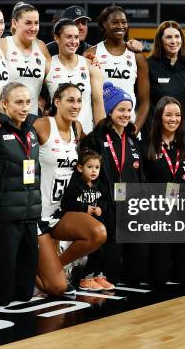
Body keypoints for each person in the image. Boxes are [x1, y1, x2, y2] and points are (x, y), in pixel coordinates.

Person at [33, 83, 107, 295]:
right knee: (56, 287)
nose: (75, 105)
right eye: (70, 100)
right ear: (57, 102)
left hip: (61, 212)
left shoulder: (77, 129)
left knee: (98, 233)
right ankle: (28, 266)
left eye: (78, 100)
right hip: (39, 214)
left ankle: (56, 265)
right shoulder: (43, 125)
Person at [0, 82, 41, 305]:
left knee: (24, 293)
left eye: (27, 102)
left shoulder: (31, 130)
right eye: (18, 102)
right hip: (4, 220)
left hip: (29, 217)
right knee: (2, 296)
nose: (24, 108)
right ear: (4, 104)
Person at [80, 82, 145, 284]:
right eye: (120, 110)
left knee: (136, 273)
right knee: (113, 272)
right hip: (107, 207)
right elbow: (89, 174)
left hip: (131, 205)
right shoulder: (96, 139)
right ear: (109, 111)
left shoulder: (133, 139)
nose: (126, 115)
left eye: (129, 110)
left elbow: (139, 173)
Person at [142, 96, 185, 287]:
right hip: (159, 215)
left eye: (177, 115)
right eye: (168, 115)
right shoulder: (147, 146)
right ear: (159, 117)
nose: (173, 119)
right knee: (159, 276)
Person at [85, 6, 149, 133]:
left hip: (128, 126)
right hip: (99, 127)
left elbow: (145, 101)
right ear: (104, 24)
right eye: (115, 22)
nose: (120, 26)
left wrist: (135, 129)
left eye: (124, 22)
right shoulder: (91, 53)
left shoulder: (137, 56)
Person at [61, 150, 114, 291]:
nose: (94, 171)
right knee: (95, 252)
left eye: (97, 167)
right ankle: (85, 278)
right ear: (80, 168)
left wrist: (101, 208)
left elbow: (104, 199)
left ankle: (99, 276)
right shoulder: (76, 184)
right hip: (83, 228)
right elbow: (66, 203)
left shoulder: (99, 184)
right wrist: (84, 207)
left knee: (104, 251)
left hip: (98, 225)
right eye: (89, 167)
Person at [44, 19, 105, 134]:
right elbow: (36, 97)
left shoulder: (90, 65)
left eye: (76, 37)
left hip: (86, 134)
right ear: (56, 38)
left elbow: (98, 104)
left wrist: (101, 136)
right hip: (56, 135)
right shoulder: (47, 65)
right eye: (68, 37)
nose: (73, 41)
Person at [145, 20, 185, 139]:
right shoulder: (149, 65)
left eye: (177, 36)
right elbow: (142, 102)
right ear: (160, 40)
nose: (174, 41)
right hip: (157, 136)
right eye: (169, 37)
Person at [0, 2, 51, 115]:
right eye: (28, 23)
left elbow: (54, 80)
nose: (33, 28)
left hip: (32, 119)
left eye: (36, 23)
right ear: (14, 23)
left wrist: (45, 104)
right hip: (4, 119)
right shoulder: (3, 45)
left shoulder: (41, 47)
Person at [46, 5, 144, 57]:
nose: (81, 27)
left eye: (84, 23)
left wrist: (133, 44)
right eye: (76, 23)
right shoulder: (46, 51)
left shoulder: (92, 52)